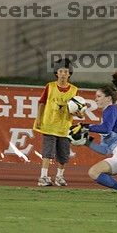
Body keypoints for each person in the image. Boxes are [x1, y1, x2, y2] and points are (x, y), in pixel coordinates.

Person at [33, 58, 82, 186]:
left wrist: (79, 114)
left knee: (63, 153)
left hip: (65, 126)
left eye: (66, 71)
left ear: (69, 74)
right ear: (56, 73)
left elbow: (78, 109)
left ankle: (59, 177)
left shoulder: (74, 90)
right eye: (61, 71)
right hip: (49, 124)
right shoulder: (50, 86)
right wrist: (39, 118)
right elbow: (42, 102)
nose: (63, 74)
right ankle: (43, 177)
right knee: (47, 152)